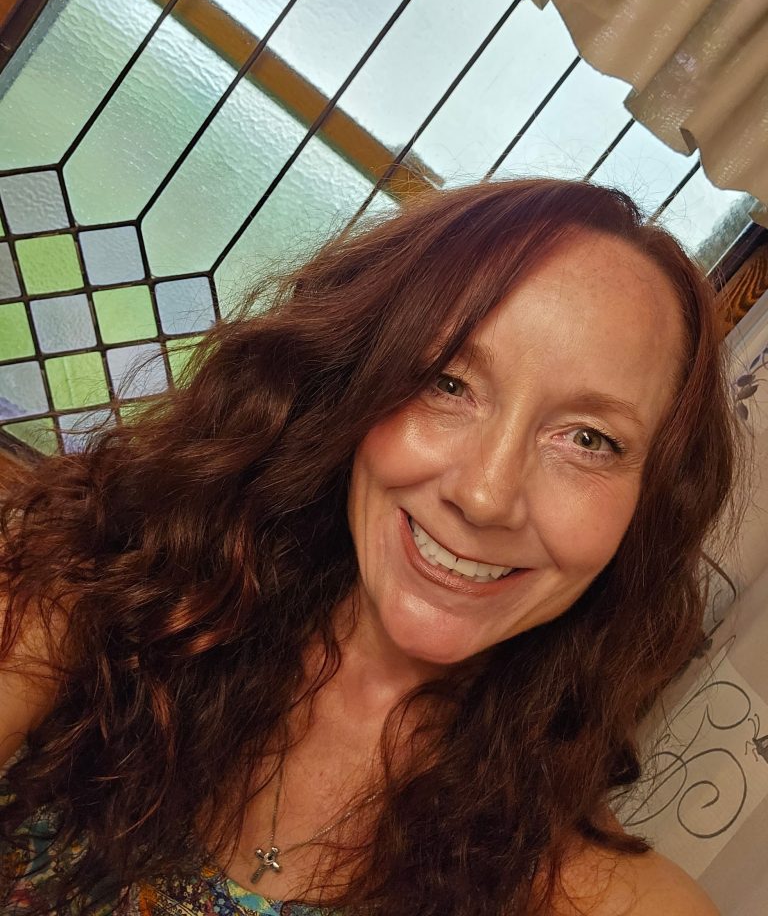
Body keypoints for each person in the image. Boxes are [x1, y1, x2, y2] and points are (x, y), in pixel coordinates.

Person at [0, 178, 735, 915]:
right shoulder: (99, 588)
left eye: (589, 439)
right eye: (449, 383)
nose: (485, 495)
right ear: (350, 379)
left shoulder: (614, 898)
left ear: (649, 510)